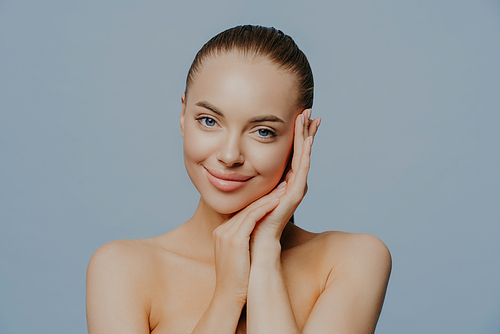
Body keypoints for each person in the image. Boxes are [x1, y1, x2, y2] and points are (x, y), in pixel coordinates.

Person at [86, 25, 391, 334]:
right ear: (182, 116)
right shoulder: (122, 270)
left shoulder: (351, 260)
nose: (230, 155)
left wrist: (265, 253)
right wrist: (227, 295)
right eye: (209, 121)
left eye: (263, 131)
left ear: (300, 139)